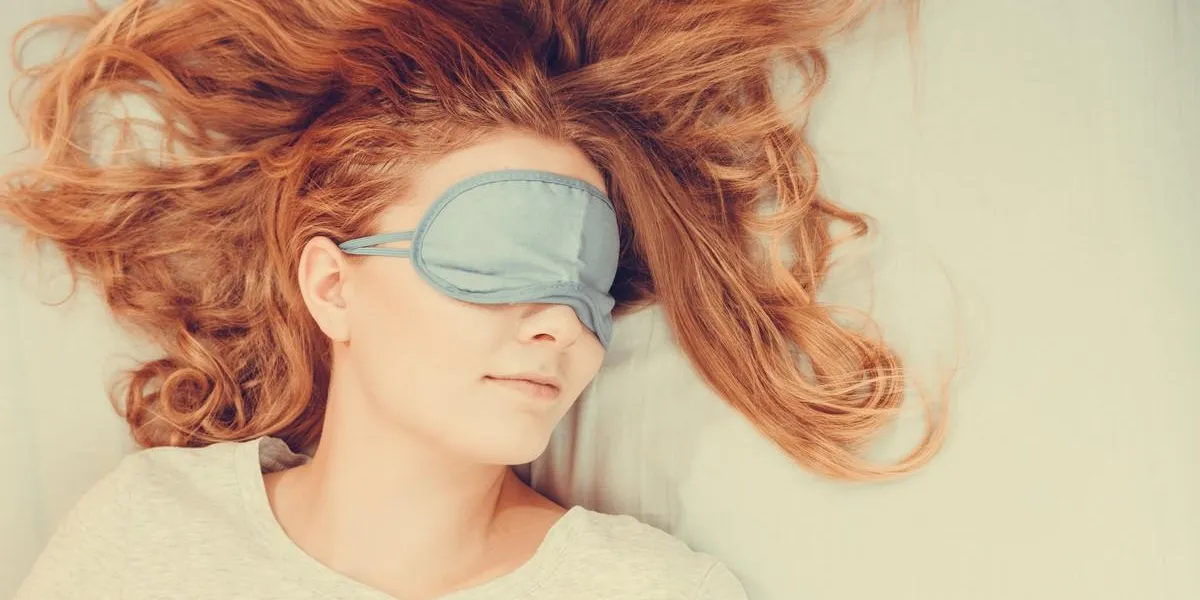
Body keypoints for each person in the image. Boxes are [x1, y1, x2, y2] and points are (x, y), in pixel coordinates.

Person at [3, 0, 946, 598]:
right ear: (334, 284)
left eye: (587, 286)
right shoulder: (154, 531)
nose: (559, 327)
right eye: (496, 260)